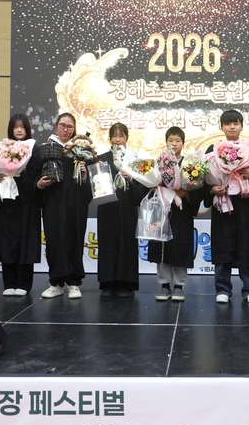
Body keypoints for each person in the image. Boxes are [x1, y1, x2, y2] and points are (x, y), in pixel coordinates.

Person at [204, 109, 249, 304]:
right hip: (222, 202)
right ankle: (222, 289)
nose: (232, 127)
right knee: (222, 244)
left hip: (244, 203)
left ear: (241, 126)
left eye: (236, 123)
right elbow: (202, 175)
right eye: (228, 124)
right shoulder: (212, 150)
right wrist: (212, 188)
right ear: (221, 127)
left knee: (246, 244)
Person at [38, 113, 92, 299]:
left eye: (70, 127)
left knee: (74, 240)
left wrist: (84, 175)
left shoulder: (81, 151)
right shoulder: (47, 148)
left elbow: (89, 184)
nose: (66, 130)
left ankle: (74, 284)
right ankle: (55, 283)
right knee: (54, 242)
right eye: (62, 125)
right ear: (56, 126)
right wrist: (40, 184)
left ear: (74, 129)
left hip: (75, 204)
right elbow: (36, 175)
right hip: (52, 204)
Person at [148, 126, 201, 302]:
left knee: (180, 246)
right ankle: (164, 285)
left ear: (183, 144)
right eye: (170, 140)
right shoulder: (159, 164)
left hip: (181, 212)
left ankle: (179, 286)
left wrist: (187, 193)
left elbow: (197, 190)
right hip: (162, 209)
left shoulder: (189, 165)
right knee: (162, 245)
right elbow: (150, 182)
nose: (174, 143)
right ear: (166, 142)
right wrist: (154, 187)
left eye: (177, 140)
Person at [0, 114, 41, 297]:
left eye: (22, 126)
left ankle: (23, 283)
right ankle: (9, 282)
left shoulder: (34, 149)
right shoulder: (2, 148)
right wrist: (0, 176)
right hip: (7, 202)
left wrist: (19, 174)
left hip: (26, 203)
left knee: (25, 241)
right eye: (15, 126)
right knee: (6, 240)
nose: (19, 130)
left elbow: (36, 175)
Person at [96, 122, 146, 298]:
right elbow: (95, 184)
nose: (118, 140)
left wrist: (131, 179)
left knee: (127, 244)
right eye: (114, 136)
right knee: (107, 243)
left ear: (127, 138)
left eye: (121, 136)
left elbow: (143, 187)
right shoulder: (101, 159)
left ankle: (127, 284)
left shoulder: (135, 159)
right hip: (107, 208)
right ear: (110, 138)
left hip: (127, 208)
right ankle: (108, 283)